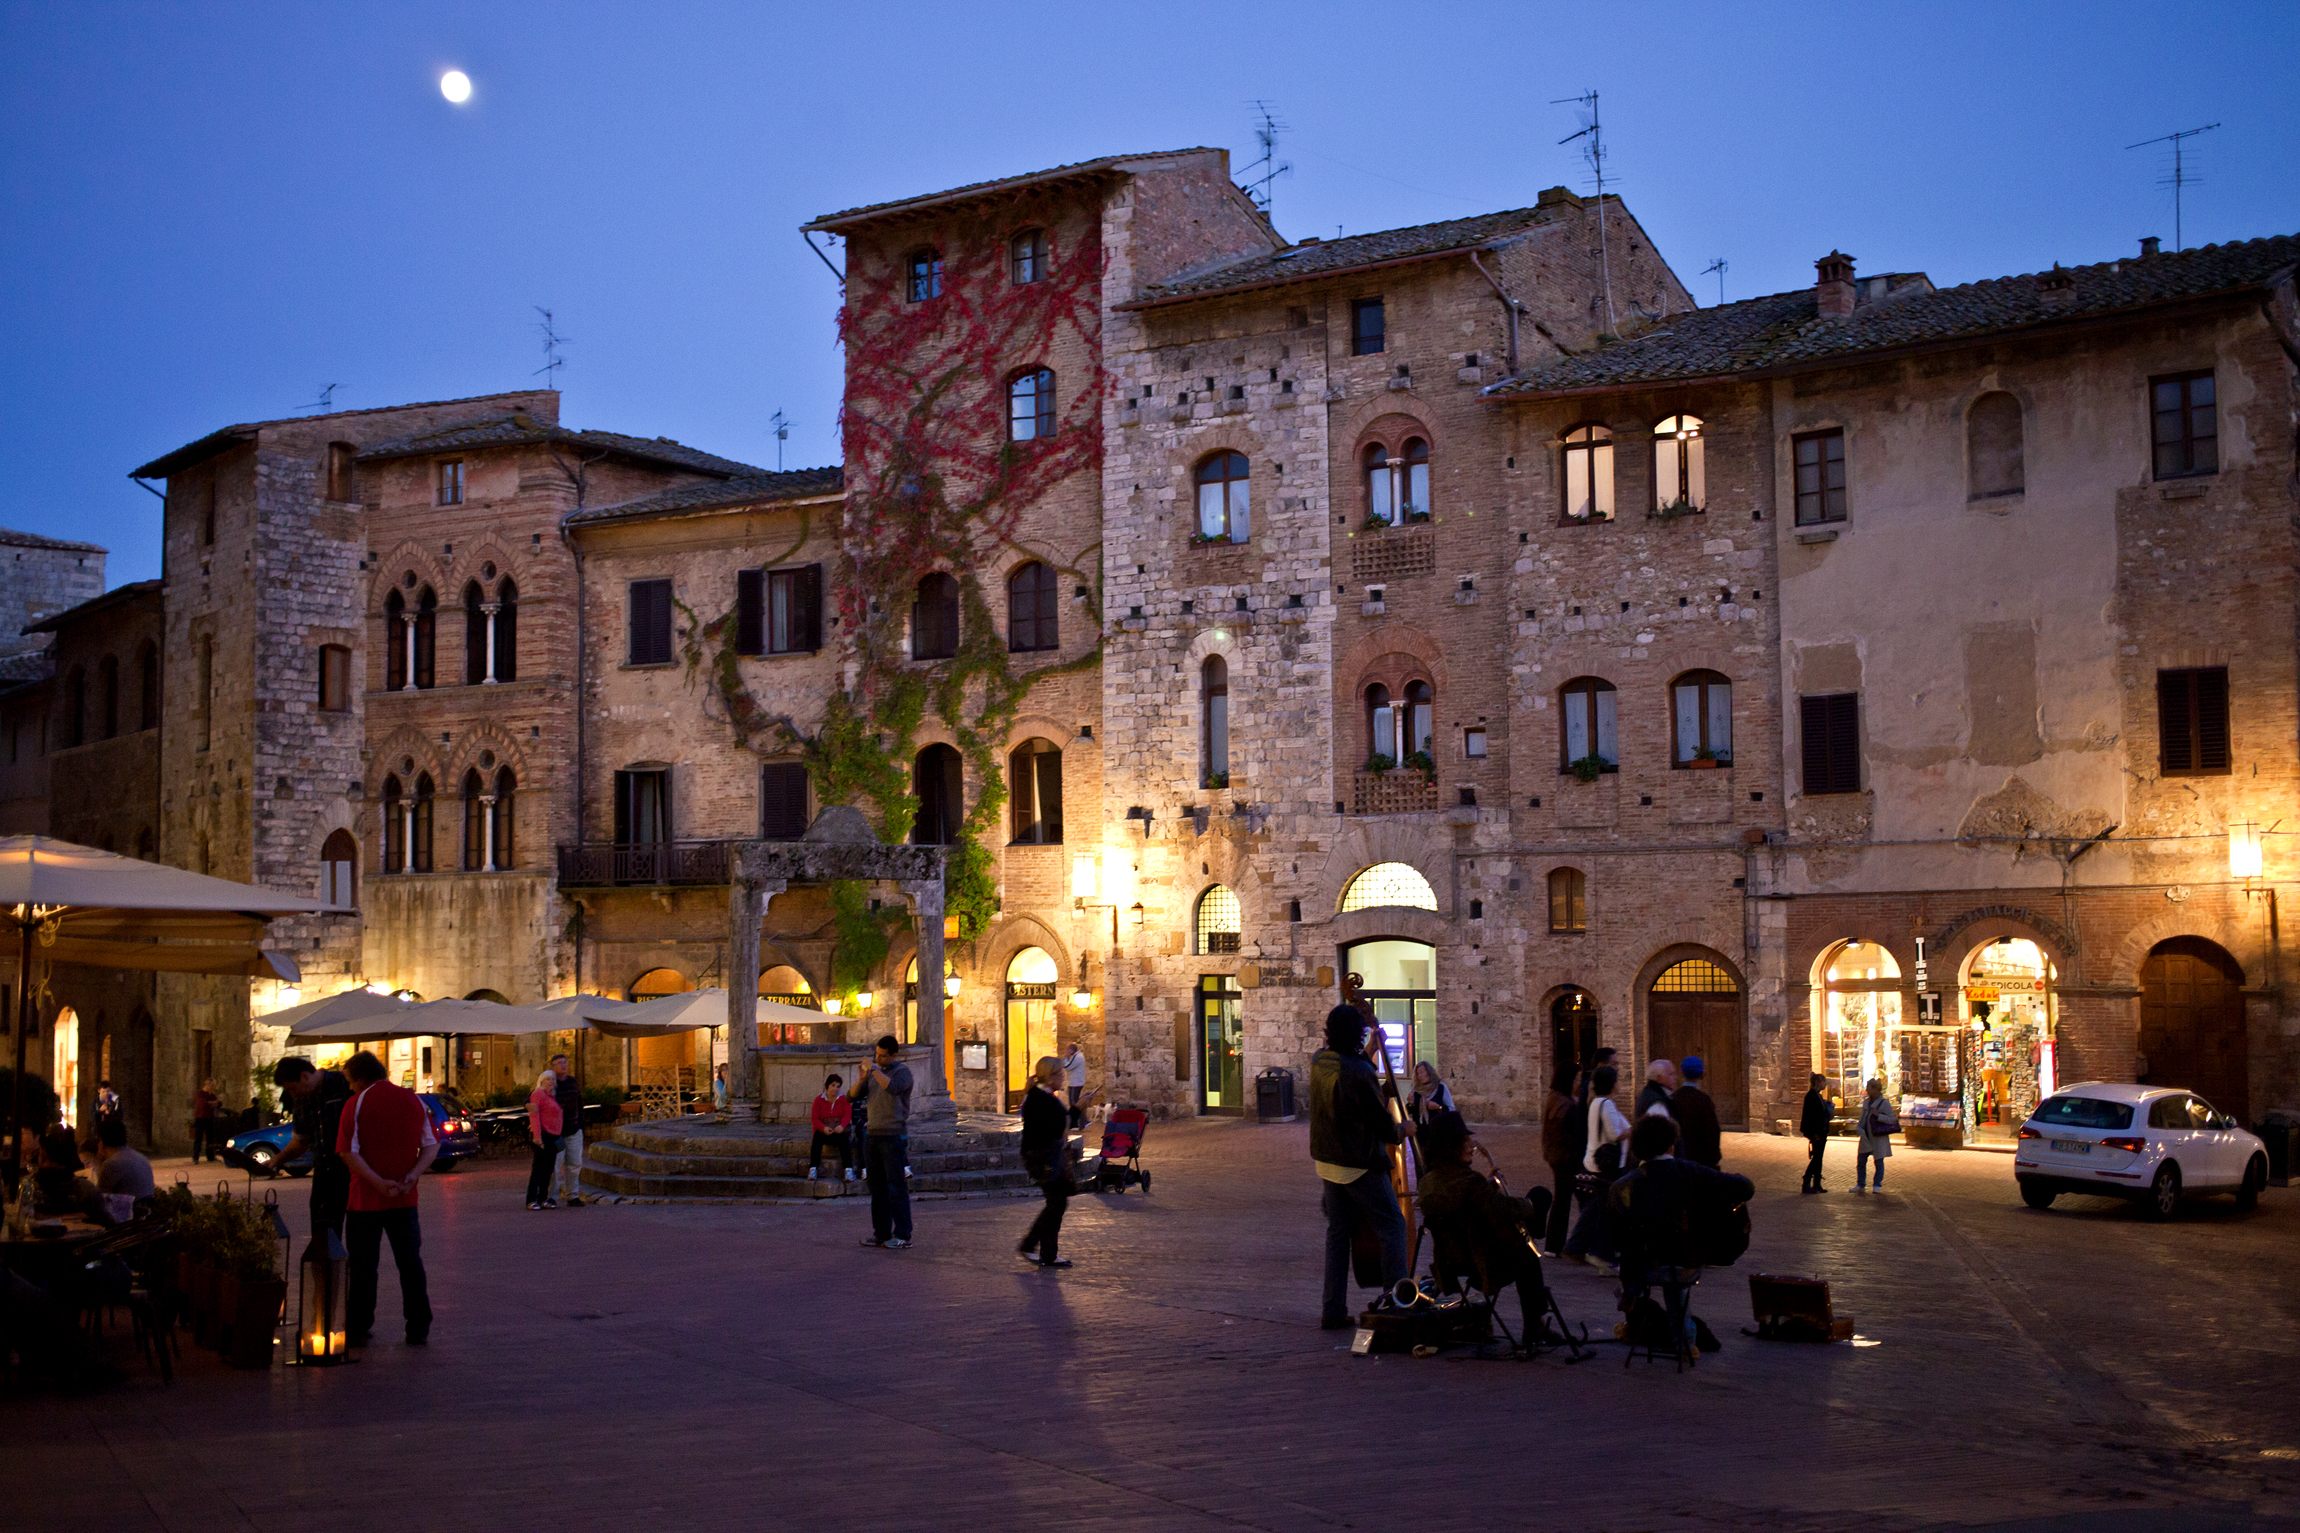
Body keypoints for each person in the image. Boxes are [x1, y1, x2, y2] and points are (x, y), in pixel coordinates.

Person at [1609, 1115, 1754, 1349]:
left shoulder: (1623, 1185)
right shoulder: (1689, 1171)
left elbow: (1615, 1238)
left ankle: (1632, 1298)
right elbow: (1745, 1187)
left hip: (1642, 1269)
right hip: (1686, 1263)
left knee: (1648, 1253)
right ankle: (1685, 1342)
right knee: (1676, 1265)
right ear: (1671, 1145)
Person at [1416, 1111, 1553, 1348]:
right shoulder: (1470, 1182)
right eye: (1465, 1141)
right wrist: (1530, 1205)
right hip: (1480, 1258)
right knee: (1534, 1217)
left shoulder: (1427, 1182)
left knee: (1524, 1238)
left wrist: (1487, 1186)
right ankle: (1534, 1326)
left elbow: (1465, 1202)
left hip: (1451, 1260)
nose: (1471, 1146)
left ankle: (1533, 1234)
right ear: (1452, 1146)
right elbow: (1502, 1210)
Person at [1310, 1003, 1407, 1330]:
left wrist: (1370, 1050)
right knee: (1393, 1227)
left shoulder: (1319, 1060)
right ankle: (1394, 1307)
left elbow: (1352, 1082)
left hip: (1327, 1162)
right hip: (1357, 1163)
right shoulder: (1360, 1071)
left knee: (1337, 1235)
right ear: (1358, 1034)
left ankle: (1332, 1310)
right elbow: (1381, 1123)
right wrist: (1403, 1130)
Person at [335, 1049, 435, 1346]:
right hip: (405, 1197)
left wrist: (377, 1182)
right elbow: (430, 1145)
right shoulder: (413, 1099)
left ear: (360, 1078)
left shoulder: (355, 1104)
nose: (349, 1087)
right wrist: (413, 1175)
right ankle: (418, 1325)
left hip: (366, 1199)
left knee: (364, 1265)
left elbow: (347, 1152)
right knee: (410, 1263)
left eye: (350, 1081)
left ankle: (359, 1324)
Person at [275, 1055, 355, 1238]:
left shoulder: (343, 1084)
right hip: (323, 1177)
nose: (293, 1094)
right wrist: (277, 1160)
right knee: (322, 1239)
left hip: (352, 1172)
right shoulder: (301, 1100)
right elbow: (301, 1140)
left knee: (357, 1239)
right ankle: (327, 1267)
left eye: (292, 1088)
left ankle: (351, 1267)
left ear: (304, 1076)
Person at [1562, 1063, 1629, 1270]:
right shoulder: (1606, 1104)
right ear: (1612, 1084)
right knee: (1604, 1210)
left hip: (1593, 1161)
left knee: (1596, 1209)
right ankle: (1600, 1253)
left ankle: (1579, 1246)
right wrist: (1632, 1132)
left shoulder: (1595, 1102)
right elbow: (1613, 1134)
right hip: (1604, 1165)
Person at [852, 1035, 913, 1248]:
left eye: (882, 1056)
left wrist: (874, 1070)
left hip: (893, 1135)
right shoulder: (872, 1074)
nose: (878, 1058)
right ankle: (881, 1233)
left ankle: (903, 1235)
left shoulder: (902, 1073)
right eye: (876, 1054)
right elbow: (852, 1096)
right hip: (873, 1135)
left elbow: (893, 1088)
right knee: (877, 1188)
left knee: (896, 1186)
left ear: (894, 1055)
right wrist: (861, 1078)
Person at [1016, 1057, 1074, 1269]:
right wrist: (1077, 1108)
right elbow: (1056, 1124)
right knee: (1056, 1202)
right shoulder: (1040, 1098)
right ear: (1050, 1077)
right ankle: (1030, 1245)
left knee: (1057, 1202)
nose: (1063, 1078)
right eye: (1060, 1074)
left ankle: (1046, 1252)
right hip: (1042, 1157)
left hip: (1045, 1154)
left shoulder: (1041, 1096)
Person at [1540, 1062, 1581, 1256]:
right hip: (1564, 1157)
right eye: (1577, 1078)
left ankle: (1556, 1246)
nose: (1579, 1082)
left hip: (1557, 1156)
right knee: (1568, 1200)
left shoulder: (1556, 1098)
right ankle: (1567, 1245)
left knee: (1564, 1199)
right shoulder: (1564, 1103)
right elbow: (1563, 1133)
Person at [1670, 1057, 1723, 1169]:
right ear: (1701, 1074)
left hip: (1679, 1156)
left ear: (1682, 1073)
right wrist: (1714, 1157)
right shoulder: (1703, 1100)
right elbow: (1712, 1131)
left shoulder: (1673, 1098)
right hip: (1701, 1158)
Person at [551, 1053, 587, 1208]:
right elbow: (535, 1097)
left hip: (573, 1129)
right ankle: (551, 1196)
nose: (563, 1065)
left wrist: (580, 1123)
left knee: (574, 1163)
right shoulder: (550, 1082)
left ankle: (572, 1195)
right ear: (553, 1066)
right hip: (556, 1131)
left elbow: (579, 1102)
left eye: (565, 1062)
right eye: (559, 1063)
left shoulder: (572, 1081)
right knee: (554, 1165)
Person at [91, 1116, 154, 1204]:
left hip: (127, 1214)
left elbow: (99, 1200)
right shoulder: (141, 1157)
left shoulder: (112, 1164)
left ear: (101, 1141)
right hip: (144, 1211)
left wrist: (97, 1162)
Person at [526, 1069, 563, 1211]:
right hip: (543, 1134)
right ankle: (531, 1200)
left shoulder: (552, 1096)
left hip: (553, 1136)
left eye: (553, 1079)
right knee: (538, 1169)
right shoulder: (538, 1094)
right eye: (548, 1079)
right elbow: (534, 1115)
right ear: (541, 1081)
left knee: (548, 1169)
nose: (551, 1082)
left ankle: (543, 1198)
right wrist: (537, 1136)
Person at [1856, 1077, 1898, 1192]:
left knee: (1878, 1161)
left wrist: (1879, 1116)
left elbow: (1892, 1119)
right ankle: (1860, 1184)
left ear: (1875, 1089)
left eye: (1868, 1088)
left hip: (1878, 1136)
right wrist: (1859, 1127)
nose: (1867, 1090)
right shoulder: (1866, 1102)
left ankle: (1877, 1184)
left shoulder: (1884, 1104)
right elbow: (1863, 1117)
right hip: (1866, 1135)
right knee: (1861, 1160)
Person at [808, 1073, 851, 1181]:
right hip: (824, 1131)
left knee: (845, 1140)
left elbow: (847, 1115)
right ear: (827, 1086)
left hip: (838, 1130)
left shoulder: (844, 1099)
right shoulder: (818, 1100)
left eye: (838, 1086)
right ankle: (813, 1168)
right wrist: (823, 1128)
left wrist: (842, 1125)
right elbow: (814, 1119)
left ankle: (848, 1170)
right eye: (833, 1085)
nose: (835, 1089)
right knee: (817, 1138)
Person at [1800, 1073, 1834, 1193]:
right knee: (1817, 1158)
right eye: (1823, 1082)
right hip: (1816, 1132)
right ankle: (1807, 1181)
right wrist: (1813, 1132)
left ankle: (1817, 1184)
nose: (1825, 1084)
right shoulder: (1811, 1097)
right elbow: (1811, 1116)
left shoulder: (1816, 1096)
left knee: (1819, 1158)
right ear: (1818, 1082)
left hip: (1821, 1131)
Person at [1407, 1061, 1456, 1127]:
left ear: (1429, 1071)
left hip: (1438, 1129)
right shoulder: (1416, 1089)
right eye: (1418, 1074)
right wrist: (1410, 1104)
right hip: (1421, 1130)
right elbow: (1411, 1112)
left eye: (1421, 1072)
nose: (1420, 1076)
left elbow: (1451, 1110)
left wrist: (1438, 1107)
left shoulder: (1440, 1087)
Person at [190, 1079, 221, 1164]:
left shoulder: (212, 1095)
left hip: (209, 1118)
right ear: (206, 1085)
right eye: (210, 1085)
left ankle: (210, 1156)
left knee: (210, 1139)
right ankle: (195, 1157)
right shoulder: (200, 1093)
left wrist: (214, 1102)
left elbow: (219, 1104)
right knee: (198, 1138)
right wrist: (212, 1103)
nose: (211, 1087)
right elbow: (203, 1103)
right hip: (200, 1118)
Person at [1062, 1040, 1087, 1130]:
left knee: (1074, 1104)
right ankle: (1080, 1122)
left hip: (1075, 1083)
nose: (1067, 1052)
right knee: (1075, 1103)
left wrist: (1066, 1057)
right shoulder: (1076, 1056)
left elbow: (1067, 1067)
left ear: (1072, 1050)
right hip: (1074, 1082)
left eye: (1068, 1050)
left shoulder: (1078, 1057)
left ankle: (1075, 1124)